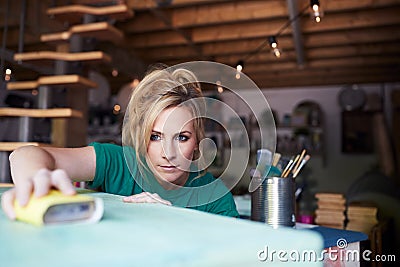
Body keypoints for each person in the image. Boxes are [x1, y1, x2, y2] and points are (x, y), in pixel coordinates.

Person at [1, 66, 239, 219]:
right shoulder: (119, 163)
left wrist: (171, 221)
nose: (168, 153)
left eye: (182, 137)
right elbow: (23, 155)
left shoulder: (216, 199)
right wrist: (34, 178)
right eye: (155, 136)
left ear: (197, 141)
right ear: (141, 136)